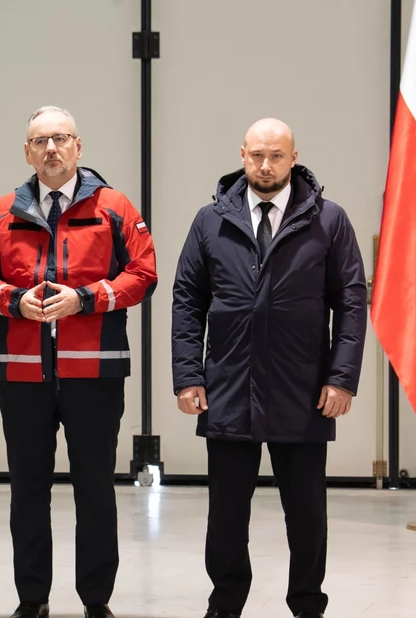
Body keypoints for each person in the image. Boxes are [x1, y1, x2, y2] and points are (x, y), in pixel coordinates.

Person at [0, 106, 157, 618]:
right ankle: (33, 599)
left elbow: (144, 273)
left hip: (94, 373)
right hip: (23, 373)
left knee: (95, 489)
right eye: (40, 141)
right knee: (28, 490)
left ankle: (96, 600)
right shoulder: (4, 211)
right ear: (26, 152)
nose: (51, 149)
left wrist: (86, 299)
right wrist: (13, 300)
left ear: (78, 146)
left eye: (60, 139)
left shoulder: (114, 206)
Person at [170, 118, 367, 618]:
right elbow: (187, 301)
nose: (265, 164)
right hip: (228, 388)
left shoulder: (329, 220)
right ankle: (226, 603)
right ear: (242, 154)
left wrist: (341, 378)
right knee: (227, 515)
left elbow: (350, 303)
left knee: (306, 515)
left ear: (294, 157)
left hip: (302, 390)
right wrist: (188, 374)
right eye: (257, 154)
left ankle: (306, 605)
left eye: (276, 155)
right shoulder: (209, 221)